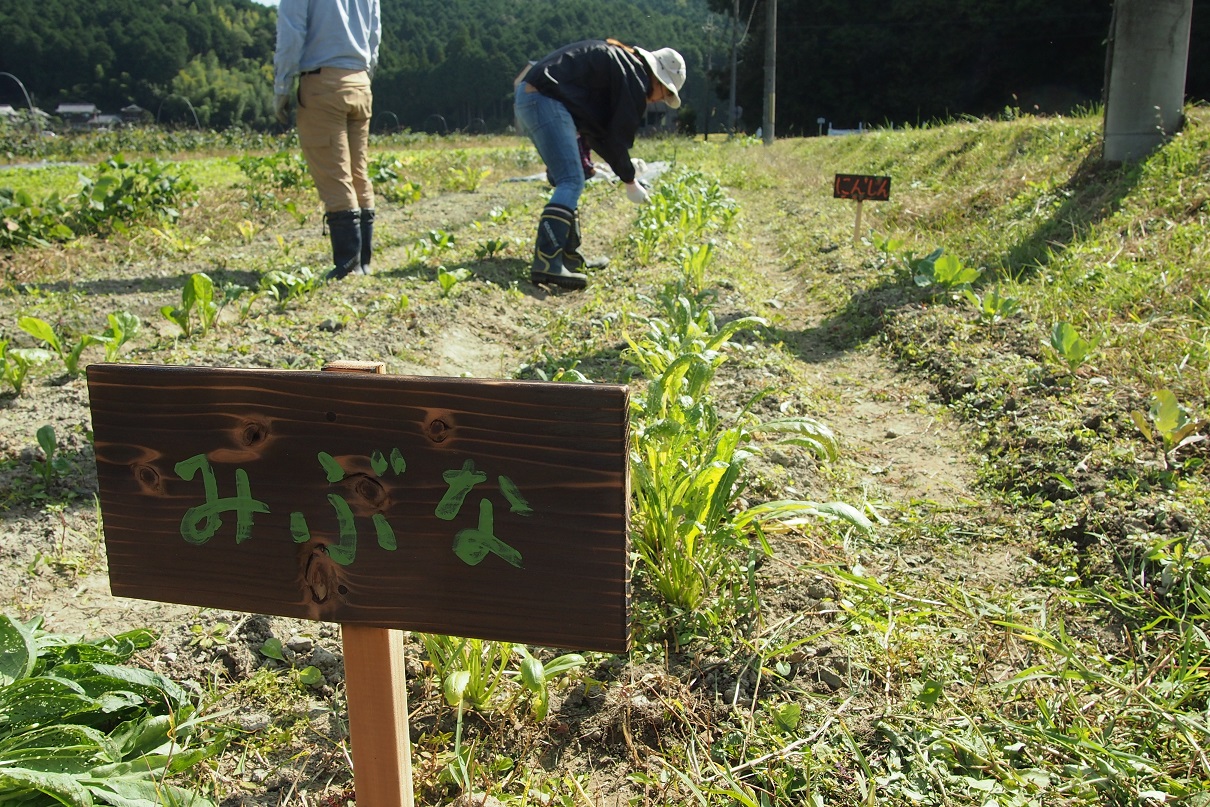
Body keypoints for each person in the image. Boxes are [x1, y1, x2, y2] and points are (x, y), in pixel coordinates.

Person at [515, 39, 686, 290]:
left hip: (533, 97)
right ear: (658, 79)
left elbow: (598, 132)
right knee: (571, 181)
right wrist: (629, 179)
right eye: (667, 92)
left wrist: (625, 173)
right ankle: (547, 261)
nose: (661, 100)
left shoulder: (623, 65)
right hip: (543, 100)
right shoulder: (634, 79)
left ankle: (569, 257)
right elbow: (614, 138)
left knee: (572, 178)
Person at [274, 0, 381, 280]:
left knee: (336, 175)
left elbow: (291, 34)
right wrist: (365, 74)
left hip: (323, 84)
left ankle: (348, 264)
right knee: (359, 172)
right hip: (360, 81)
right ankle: (364, 261)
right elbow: (374, 34)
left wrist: (282, 87)